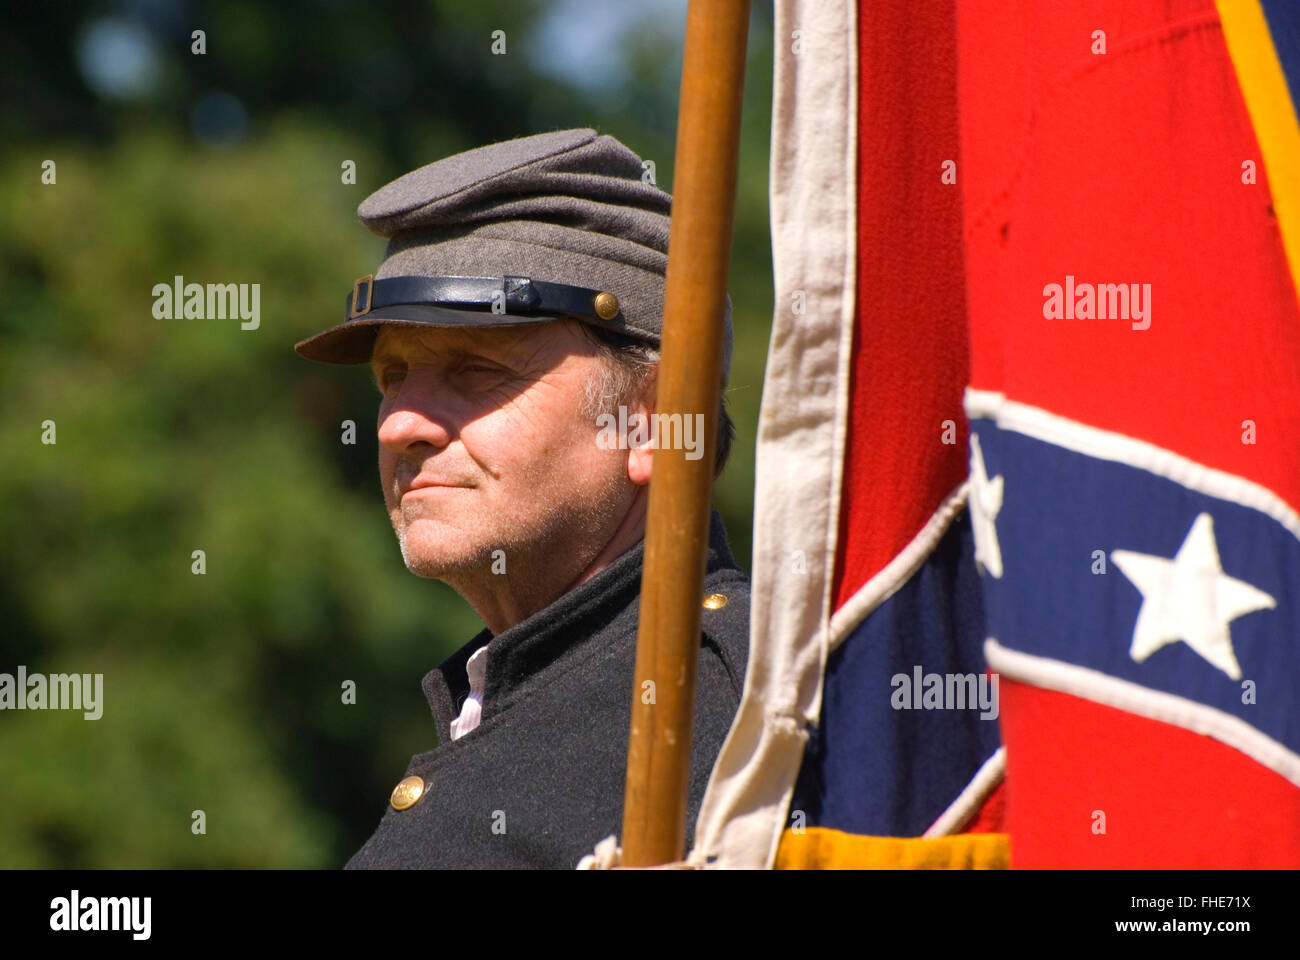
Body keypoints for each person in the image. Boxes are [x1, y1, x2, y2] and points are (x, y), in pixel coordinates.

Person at [293, 128, 750, 868]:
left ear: (655, 422)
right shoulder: (511, 699)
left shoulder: (747, 711)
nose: (401, 424)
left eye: (475, 369)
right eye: (393, 376)